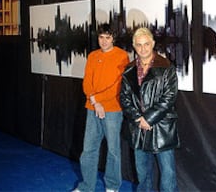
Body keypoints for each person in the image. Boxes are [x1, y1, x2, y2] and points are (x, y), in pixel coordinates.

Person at [120, 27, 180, 192]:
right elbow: (124, 98)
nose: (143, 48)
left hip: (162, 129)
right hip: (138, 129)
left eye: (146, 44)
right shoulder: (128, 69)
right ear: (134, 46)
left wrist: (149, 118)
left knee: (168, 175)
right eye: (139, 45)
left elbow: (169, 97)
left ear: (153, 44)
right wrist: (139, 119)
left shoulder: (166, 66)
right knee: (143, 175)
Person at [75, 24, 129, 192]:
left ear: (113, 38)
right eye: (101, 37)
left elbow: (118, 86)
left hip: (112, 110)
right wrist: (94, 101)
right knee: (88, 150)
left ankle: (112, 187)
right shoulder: (92, 56)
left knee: (113, 150)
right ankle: (86, 187)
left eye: (107, 37)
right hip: (92, 108)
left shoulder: (122, 56)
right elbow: (87, 82)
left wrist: (98, 100)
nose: (104, 41)